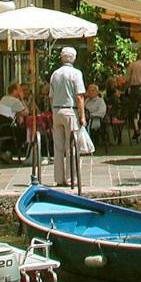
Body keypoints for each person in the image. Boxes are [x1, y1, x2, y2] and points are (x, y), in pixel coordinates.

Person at [49, 46, 86, 186]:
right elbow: (79, 96)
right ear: (74, 58)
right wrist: (82, 116)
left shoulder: (55, 74)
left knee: (58, 147)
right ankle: (72, 179)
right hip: (70, 111)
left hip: (56, 111)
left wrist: (53, 110)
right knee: (71, 146)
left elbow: (51, 97)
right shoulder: (76, 73)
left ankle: (58, 179)